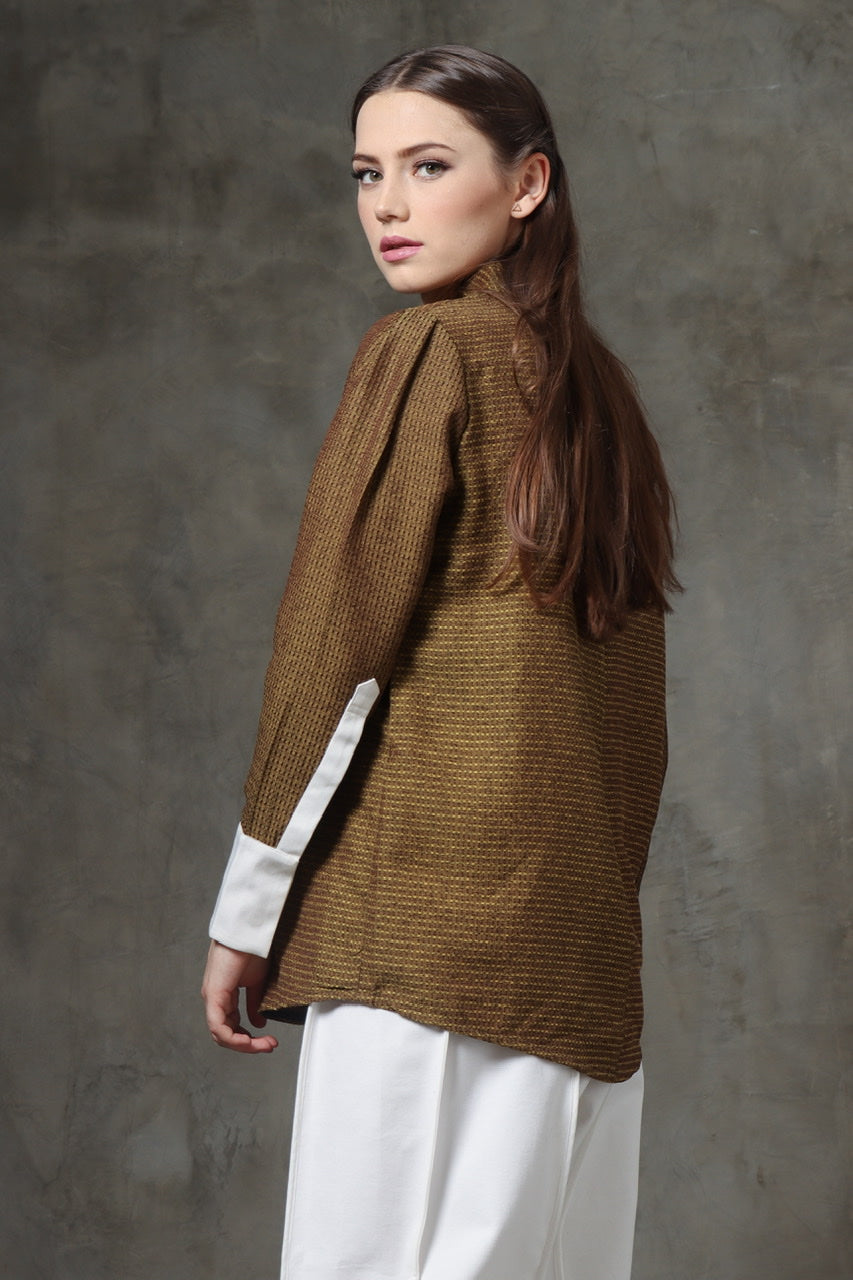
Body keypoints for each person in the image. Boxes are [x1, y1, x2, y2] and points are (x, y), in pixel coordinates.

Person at [202, 44, 678, 1280]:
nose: (388, 205)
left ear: (527, 183)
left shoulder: (428, 351)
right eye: (368, 173)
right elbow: (632, 732)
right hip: (577, 967)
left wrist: (250, 907)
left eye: (427, 165)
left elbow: (335, 647)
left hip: (420, 948)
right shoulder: (600, 403)